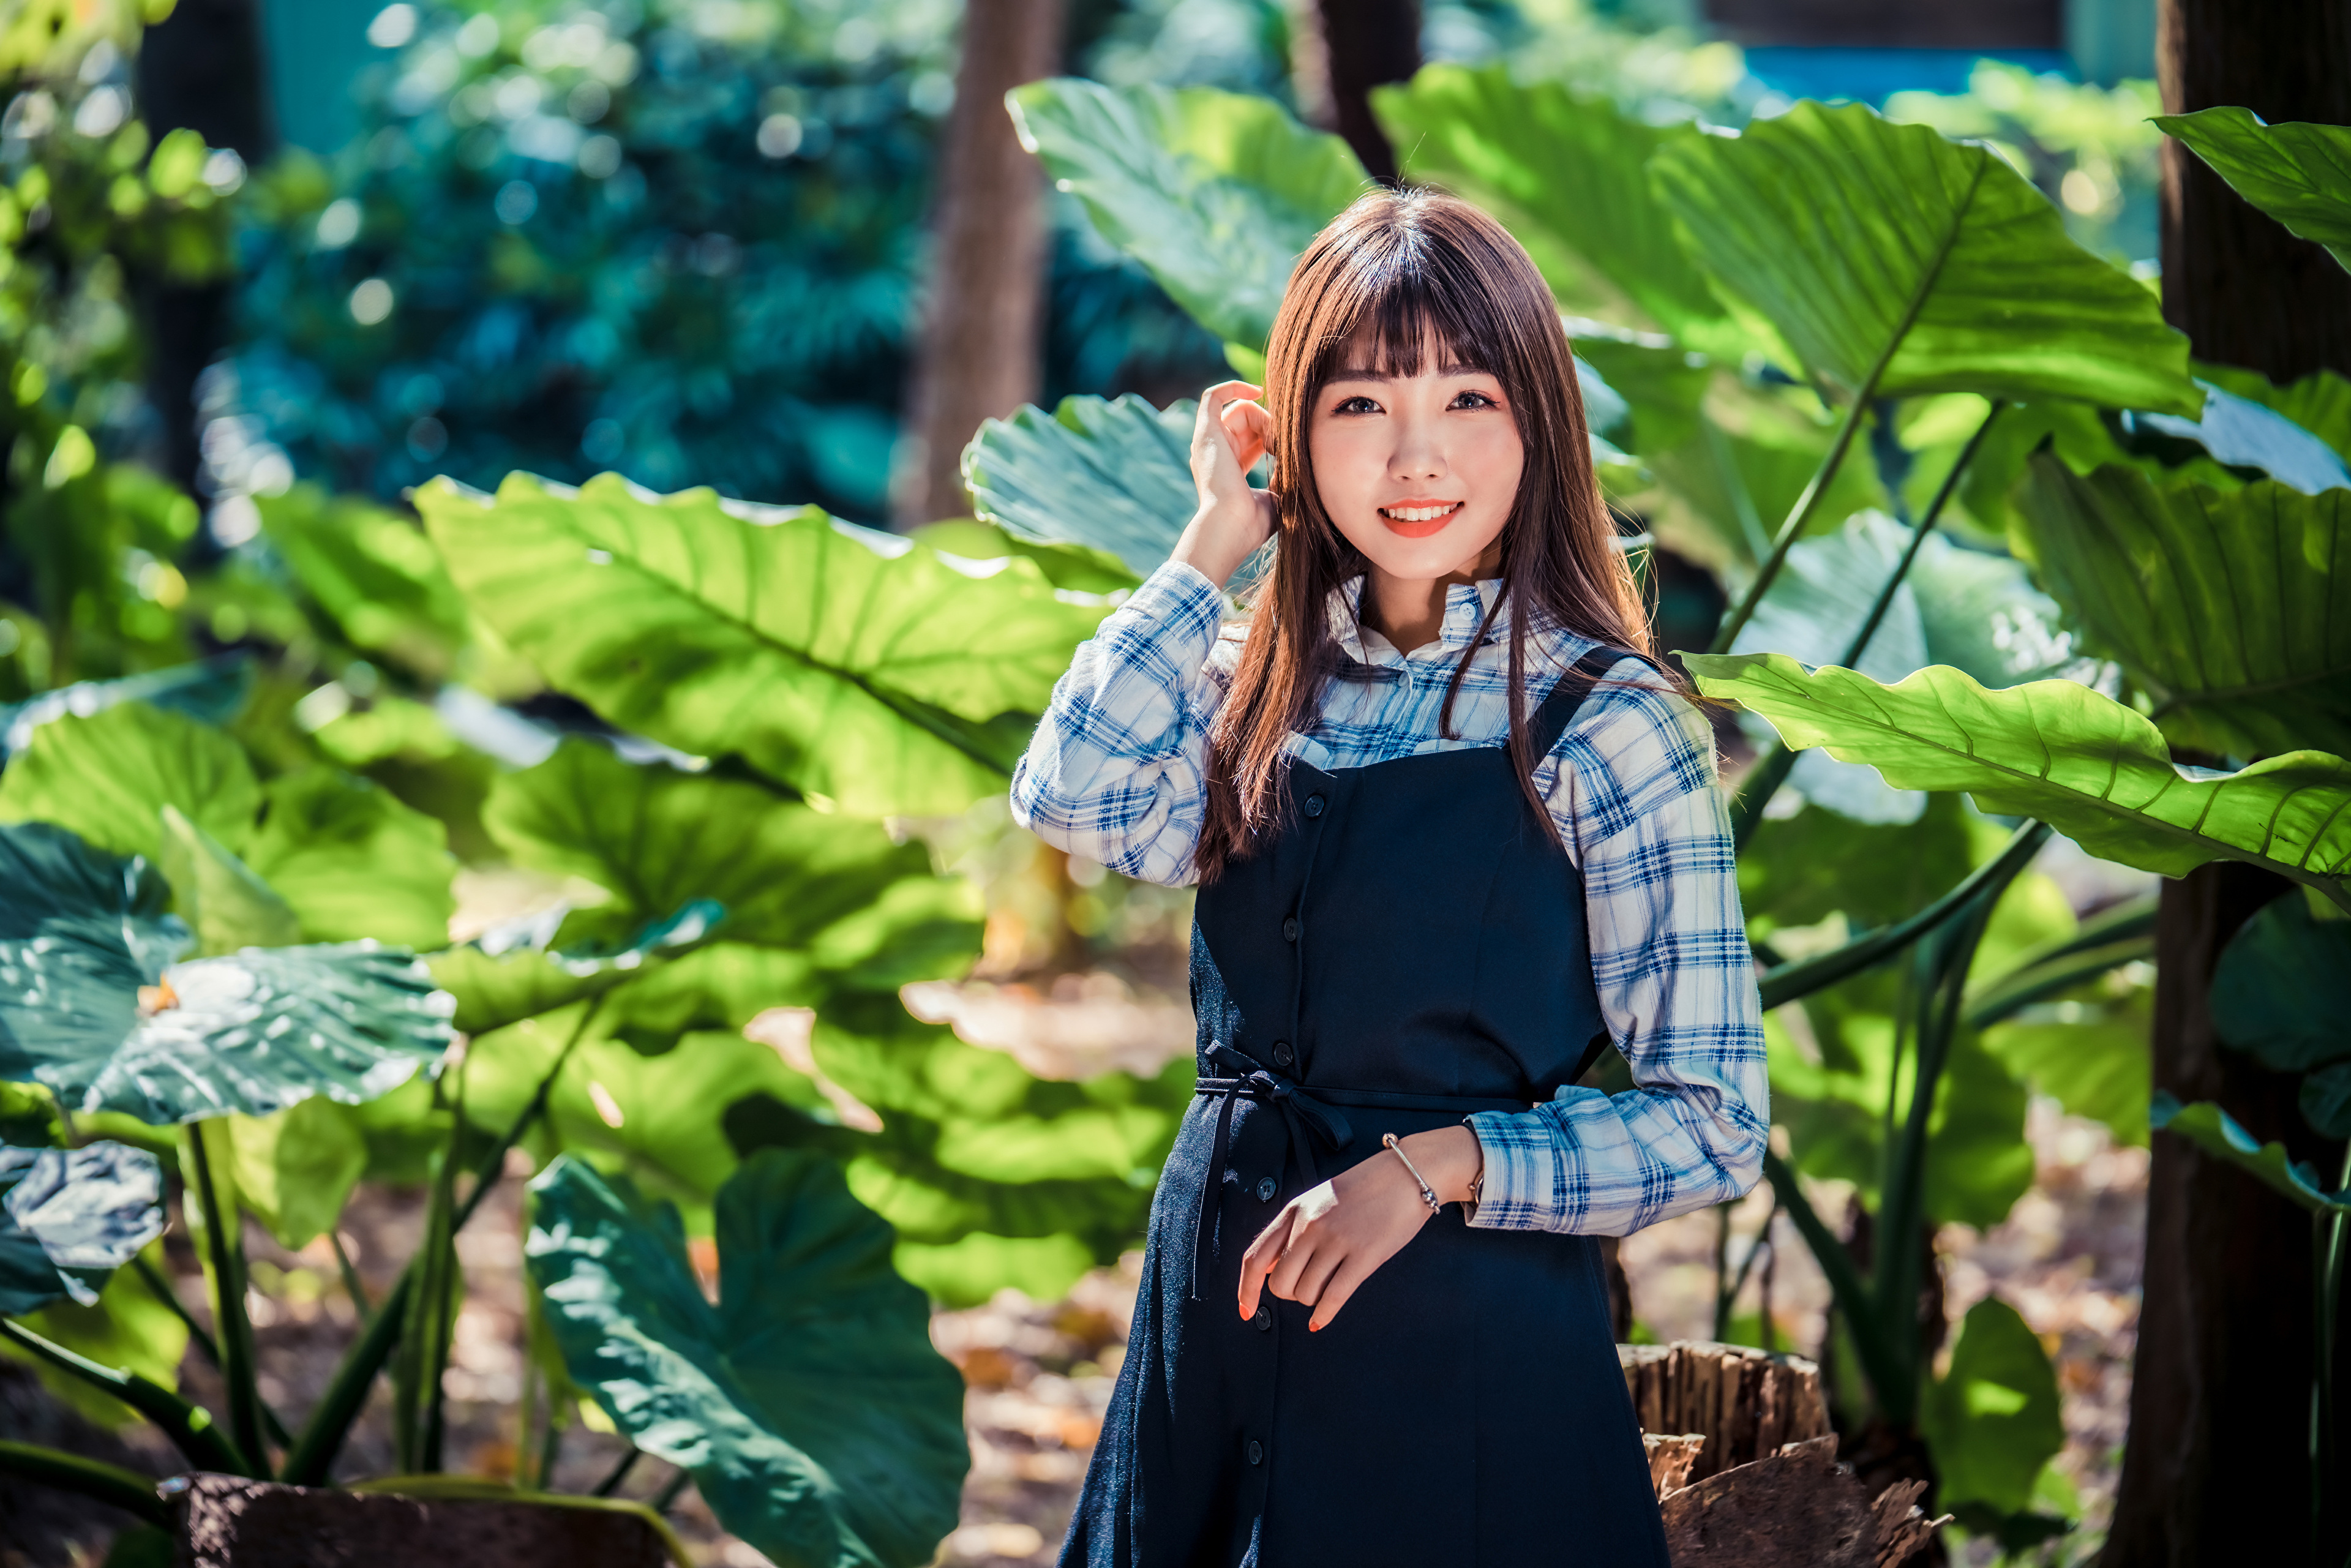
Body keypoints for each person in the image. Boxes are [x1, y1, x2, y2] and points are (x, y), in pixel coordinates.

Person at [1012, 187, 1768, 1568]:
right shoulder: (1258, 682)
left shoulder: (1609, 723)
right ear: (1295, 436)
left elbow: (1716, 1119)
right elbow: (1072, 795)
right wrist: (1212, 545)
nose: (1416, 458)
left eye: (1468, 398)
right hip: (1215, 1333)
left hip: (1465, 1376)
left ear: (1539, 422)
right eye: (1360, 406)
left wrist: (1432, 1167)